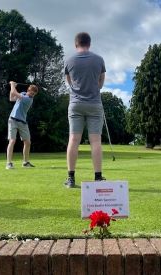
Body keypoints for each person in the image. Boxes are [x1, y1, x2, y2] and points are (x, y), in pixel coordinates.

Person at [64, 32, 106, 188]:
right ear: (89, 43)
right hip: (95, 104)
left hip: (76, 104)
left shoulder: (69, 60)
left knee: (74, 140)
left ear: (76, 44)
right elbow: (100, 82)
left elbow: (69, 82)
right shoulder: (99, 60)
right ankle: (98, 177)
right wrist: (94, 87)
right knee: (95, 141)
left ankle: (70, 178)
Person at [6, 81, 38, 169]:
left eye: (34, 94)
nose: (33, 95)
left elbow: (14, 92)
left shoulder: (29, 100)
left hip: (22, 122)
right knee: (12, 141)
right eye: (32, 92)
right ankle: (9, 163)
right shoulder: (23, 94)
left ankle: (25, 162)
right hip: (12, 120)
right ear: (28, 90)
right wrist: (12, 88)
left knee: (27, 142)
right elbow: (11, 98)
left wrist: (12, 85)